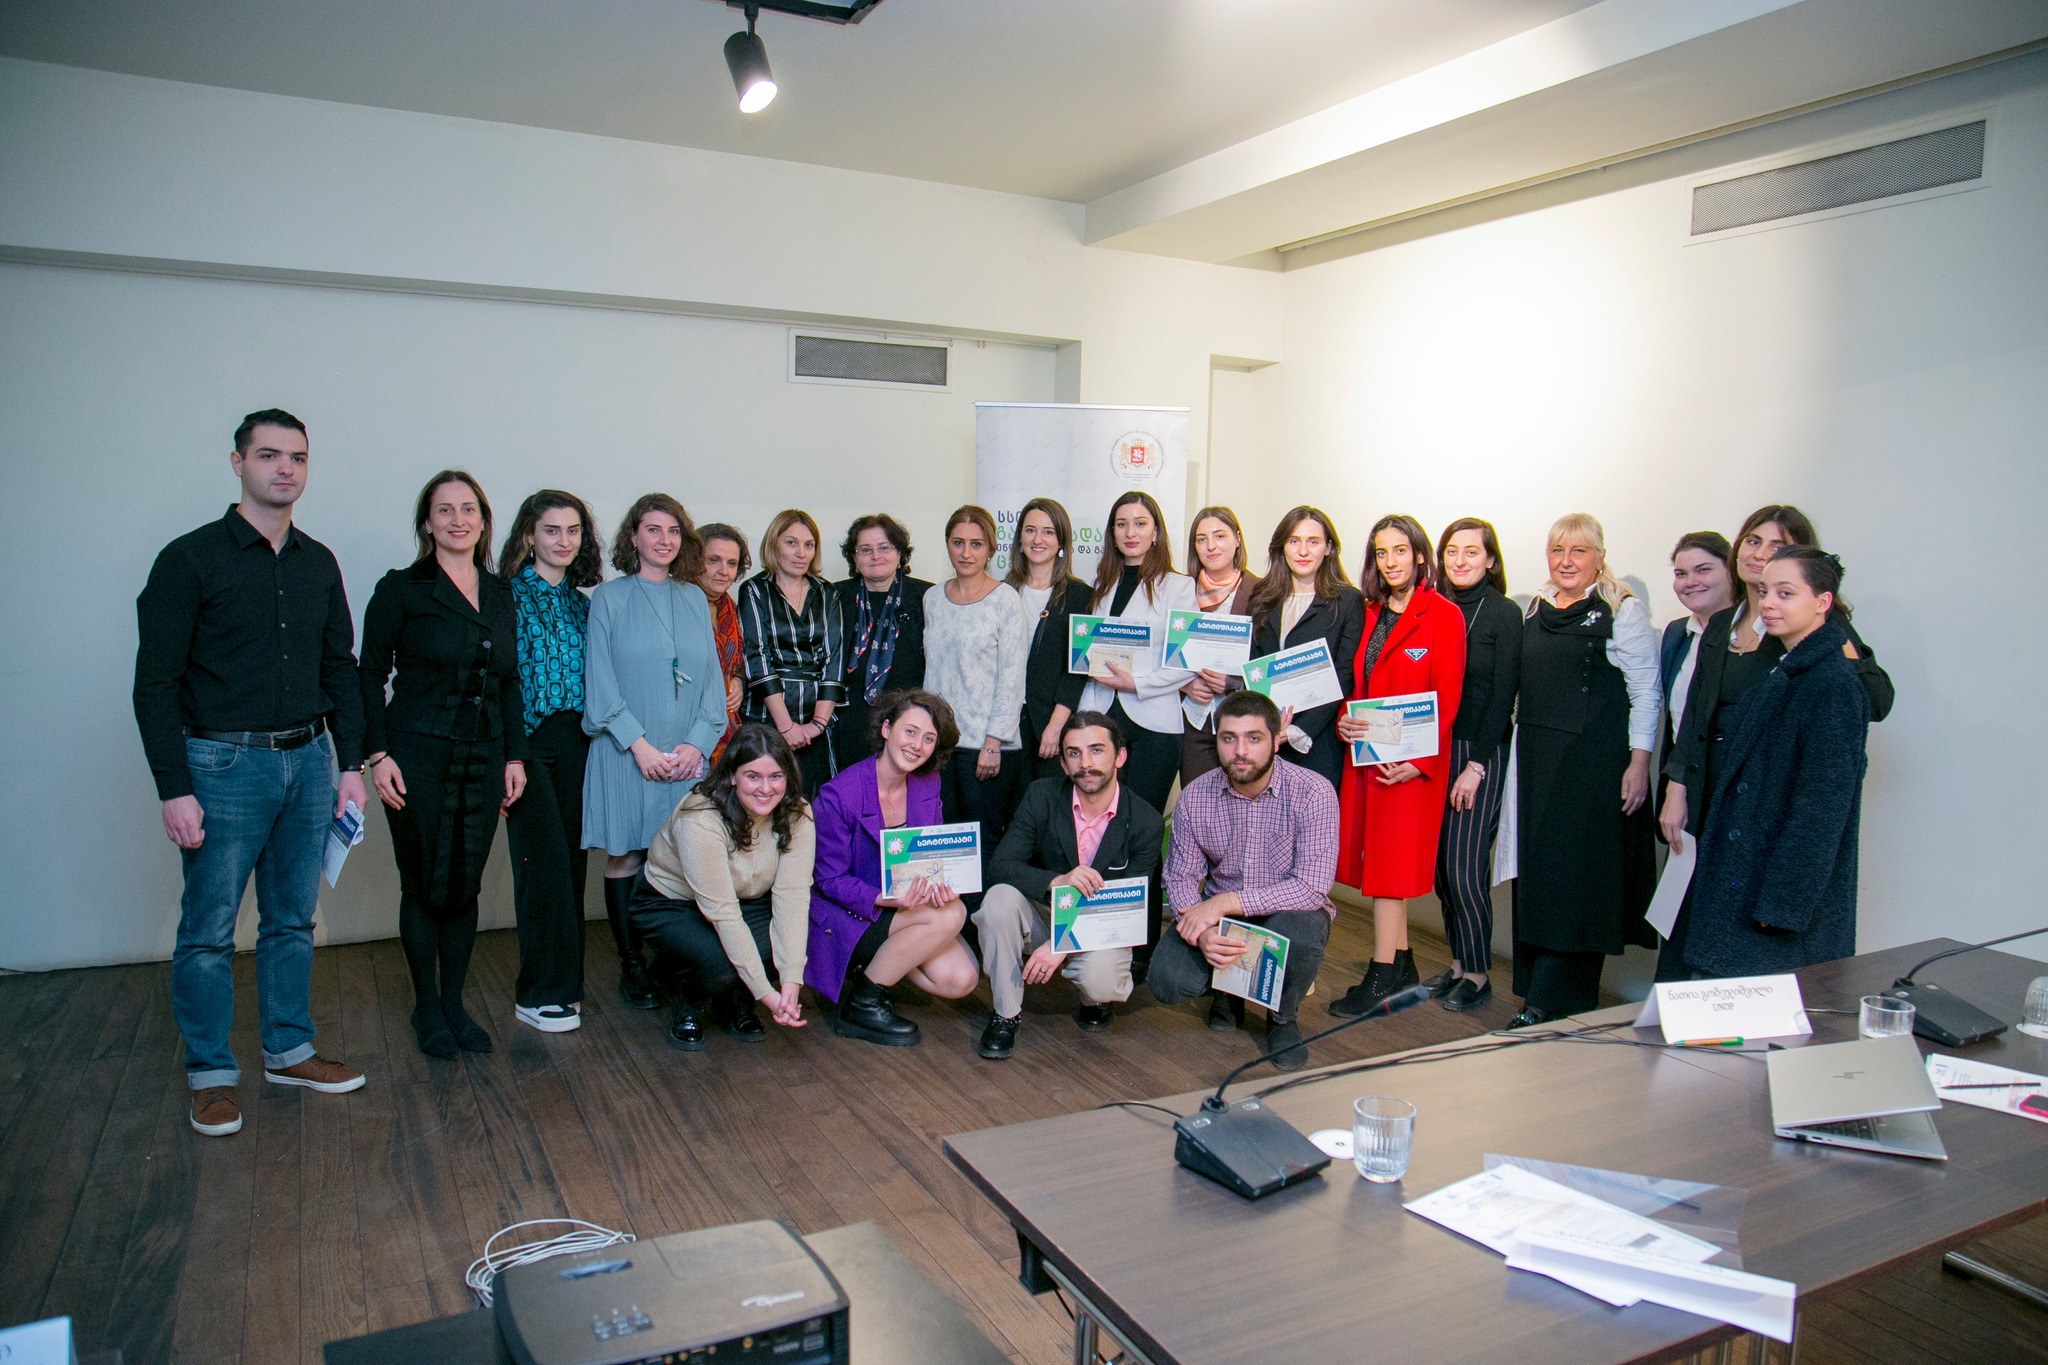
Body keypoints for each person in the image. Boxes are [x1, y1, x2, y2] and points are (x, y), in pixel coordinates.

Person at [133, 408, 368, 1135]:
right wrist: (174, 788)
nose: (284, 469)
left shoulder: (317, 562)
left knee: (292, 918)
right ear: (238, 463)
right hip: (220, 766)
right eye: (268, 455)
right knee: (208, 929)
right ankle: (210, 1074)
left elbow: (340, 667)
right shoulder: (188, 559)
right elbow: (155, 684)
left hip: (309, 761)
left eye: (297, 457)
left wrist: (350, 764)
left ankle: (289, 1051)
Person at [361, 471, 528, 1058]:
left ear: (483, 521)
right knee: (424, 884)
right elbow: (368, 675)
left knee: (463, 885)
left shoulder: (501, 592)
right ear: (427, 523)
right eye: (445, 510)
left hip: (484, 758)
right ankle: (426, 1008)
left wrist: (514, 755)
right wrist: (376, 755)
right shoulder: (402, 589)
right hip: (416, 757)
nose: (458, 519)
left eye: (469, 509)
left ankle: (454, 1002)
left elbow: (510, 681)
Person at [1661, 506, 1894, 884]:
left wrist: (1837, 640)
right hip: (1707, 784)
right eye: (1753, 541)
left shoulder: (1805, 623)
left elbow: (1876, 700)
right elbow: (1696, 715)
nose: (1759, 554)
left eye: (1777, 545)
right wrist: (1676, 788)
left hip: (1760, 792)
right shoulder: (1720, 623)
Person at [1686, 548, 1870, 977]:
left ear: (1822, 602)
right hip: (1748, 875)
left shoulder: (1833, 685)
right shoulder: (1787, 670)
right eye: (1765, 591)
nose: (1768, 603)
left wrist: (1785, 902)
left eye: (1785, 593)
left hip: (1773, 895)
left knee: (1766, 1004)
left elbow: (1821, 809)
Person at [1508, 513, 1661, 1028]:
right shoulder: (1535, 607)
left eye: (1578, 551)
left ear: (1600, 557)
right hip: (1537, 761)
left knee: (1575, 881)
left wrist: (1639, 762)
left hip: (1593, 766)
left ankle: (1557, 1003)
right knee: (1540, 878)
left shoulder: (1622, 611)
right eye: (1558, 550)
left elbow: (1646, 693)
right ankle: (1535, 995)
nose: (1567, 561)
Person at [582, 494, 729, 1010]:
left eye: (673, 531)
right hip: (627, 754)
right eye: (652, 529)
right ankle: (632, 967)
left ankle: (673, 961)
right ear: (633, 537)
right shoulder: (609, 598)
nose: (663, 540)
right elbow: (599, 685)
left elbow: (712, 684)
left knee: (684, 858)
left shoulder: (693, 599)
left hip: (687, 757)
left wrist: (697, 745)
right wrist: (639, 746)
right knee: (627, 855)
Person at [1147, 691, 1339, 1072]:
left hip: (1286, 914)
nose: (1240, 751)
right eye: (1229, 738)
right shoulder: (1196, 796)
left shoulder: (1313, 792)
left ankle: (1282, 1018)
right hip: (1223, 922)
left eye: (1254, 738)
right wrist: (1203, 934)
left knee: (1302, 931)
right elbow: (1180, 877)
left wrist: (1223, 902)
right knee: (1167, 979)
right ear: (1216, 741)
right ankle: (1227, 993)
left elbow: (1311, 887)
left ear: (1275, 740)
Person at [1330, 515, 1465, 1017]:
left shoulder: (1443, 615)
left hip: (1409, 767)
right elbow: (1354, 683)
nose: (1390, 562)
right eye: (1381, 553)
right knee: (1380, 863)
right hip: (1367, 758)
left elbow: (1447, 700)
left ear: (1420, 555)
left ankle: (1382, 973)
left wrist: (1419, 763)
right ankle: (1402, 962)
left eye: (1400, 550)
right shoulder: (1368, 612)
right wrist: (1344, 719)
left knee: (1390, 870)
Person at [974, 711, 1165, 1059]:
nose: (1085, 763)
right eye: (1074, 753)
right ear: (1063, 763)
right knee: (998, 900)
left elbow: (1127, 909)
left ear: (1119, 756)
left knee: (1101, 981)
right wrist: (1057, 880)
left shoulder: (1145, 822)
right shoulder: (1041, 796)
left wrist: (1060, 946)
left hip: (1104, 923)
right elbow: (1000, 867)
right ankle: (1005, 1014)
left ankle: (1094, 1000)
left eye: (1096, 750)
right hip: (1046, 911)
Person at [805, 689, 980, 1046]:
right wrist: (884, 898)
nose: (917, 745)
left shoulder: (928, 783)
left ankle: (876, 971)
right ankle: (863, 1002)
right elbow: (827, 880)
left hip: (905, 906)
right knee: (952, 915)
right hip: (850, 913)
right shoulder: (839, 795)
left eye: (928, 738)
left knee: (961, 980)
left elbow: (931, 855)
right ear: (886, 729)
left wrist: (940, 883)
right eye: (910, 731)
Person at [631, 723, 815, 1049]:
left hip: (746, 899)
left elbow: (792, 897)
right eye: (752, 776)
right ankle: (687, 996)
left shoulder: (798, 814)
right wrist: (766, 994)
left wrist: (790, 983)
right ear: (731, 776)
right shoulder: (700, 818)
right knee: (720, 964)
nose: (765, 788)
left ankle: (732, 999)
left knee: (789, 943)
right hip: (672, 903)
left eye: (776, 776)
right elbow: (723, 913)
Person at [499, 490, 602, 1033]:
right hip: (527, 744)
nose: (563, 541)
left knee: (572, 866)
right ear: (529, 536)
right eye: (551, 530)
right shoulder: (506, 597)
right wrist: (509, 753)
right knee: (542, 869)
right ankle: (537, 993)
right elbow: (501, 682)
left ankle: (565, 986)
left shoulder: (584, 605)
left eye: (573, 531)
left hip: (577, 743)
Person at [1420, 517, 1519, 1012]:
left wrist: (1476, 766)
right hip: (1434, 747)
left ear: (1490, 560)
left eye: (1471, 552)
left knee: (1463, 867)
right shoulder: (1434, 607)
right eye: (1452, 552)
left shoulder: (1503, 613)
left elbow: (1503, 698)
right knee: (1440, 869)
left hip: (1477, 753)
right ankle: (1459, 964)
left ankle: (1478, 974)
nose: (1460, 561)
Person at [1077, 491, 1196, 818]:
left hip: (1153, 724)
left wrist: (1136, 684)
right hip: (1101, 717)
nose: (1130, 532)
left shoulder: (1178, 587)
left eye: (1140, 524)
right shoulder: (1100, 585)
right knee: (1099, 820)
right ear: (1113, 534)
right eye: (1121, 524)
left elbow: (1186, 662)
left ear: (1155, 532)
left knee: (1142, 822)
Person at [923, 505, 1028, 851]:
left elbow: (1012, 677)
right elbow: (932, 671)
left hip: (985, 746)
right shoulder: (932, 599)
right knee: (942, 836)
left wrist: (993, 743)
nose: (966, 553)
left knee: (983, 840)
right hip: (939, 744)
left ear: (991, 550)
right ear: (947, 545)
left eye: (976, 544)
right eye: (958, 542)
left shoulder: (1005, 600)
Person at [1244, 506, 1364, 790]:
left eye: (1313, 541)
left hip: (1318, 740)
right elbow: (1254, 666)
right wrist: (1268, 726)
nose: (1303, 551)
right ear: (1282, 547)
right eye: (1294, 541)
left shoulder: (1347, 601)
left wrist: (1298, 729)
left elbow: (1343, 674)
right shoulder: (1263, 597)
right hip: (1266, 738)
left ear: (1328, 548)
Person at [739, 509, 843, 796]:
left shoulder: (827, 592)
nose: (801, 553)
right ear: (774, 544)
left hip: (816, 721)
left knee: (815, 803)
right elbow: (757, 657)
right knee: (765, 797)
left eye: (809, 545)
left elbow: (834, 659)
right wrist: (785, 727)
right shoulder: (755, 590)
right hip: (766, 717)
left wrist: (817, 725)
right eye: (791, 543)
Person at [1003, 497, 1093, 788]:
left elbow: (1077, 669)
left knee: (1047, 804)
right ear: (1019, 539)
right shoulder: (1001, 593)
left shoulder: (1081, 596)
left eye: (1048, 532)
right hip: (1005, 723)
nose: (1037, 539)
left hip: (1050, 723)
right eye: (1030, 530)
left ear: (1061, 541)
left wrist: (1055, 726)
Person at [832, 513, 931, 770]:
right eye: (865, 549)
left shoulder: (926, 597)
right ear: (854, 558)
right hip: (850, 722)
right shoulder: (836, 596)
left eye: (884, 547)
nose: (875, 556)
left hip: (907, 722)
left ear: (900, 553)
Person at [1179, 505, 1261, 785]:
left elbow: (1268, 657)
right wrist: (1183, 684)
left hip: (1243, 725)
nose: (1211, 546)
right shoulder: (1180, 590)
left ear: (1237, 538)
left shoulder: (1262, 592)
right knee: (1197, 801)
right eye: (1201, 539)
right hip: (1192, 721)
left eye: (1220, 536)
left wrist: (1234, 682)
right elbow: (1161, 653)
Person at [1661, 531, 1735, 751]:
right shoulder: (1676, 633)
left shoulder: (1753, 634)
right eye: (1681, 574)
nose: (1690, 582)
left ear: (1731, 570)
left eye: (1703, 570)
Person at [695, 522, 751, 764]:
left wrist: (738, 680)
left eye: (731, 563)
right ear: (694, 560)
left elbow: (739, 661)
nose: (723, 571)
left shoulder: (730, 608)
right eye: (713, 560)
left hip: (727, 726)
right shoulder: (678, 602)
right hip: (687, 729)